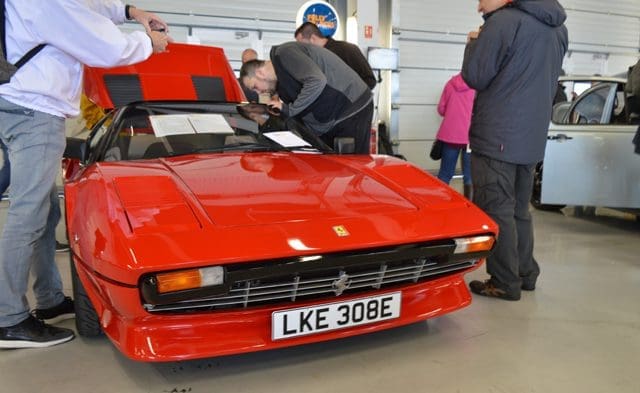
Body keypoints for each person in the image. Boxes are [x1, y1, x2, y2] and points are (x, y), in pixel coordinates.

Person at [0, 0, 170, 349]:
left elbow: (88, 8)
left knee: (44, 213)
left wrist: (130, 12)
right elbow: (102, 45)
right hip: (35, 110)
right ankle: (8, 319)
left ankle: (48, 300)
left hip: (23, 103)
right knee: (28, 215)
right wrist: (149, 44)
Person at [461, 0, 568, 300]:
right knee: (520, 209)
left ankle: (505, 281)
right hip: (531, 137)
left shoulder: (502, 23)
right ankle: (525, 273)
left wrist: (473, 43)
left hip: (498, 135)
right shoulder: (558, 28)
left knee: (497, 208)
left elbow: (475, 76)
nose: (479, 6)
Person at [240, 41, 373, 154]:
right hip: (333, 119)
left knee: (354, 167)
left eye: (255, 87)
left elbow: (316, 81)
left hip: (353, 107)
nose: (258, 92)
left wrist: (290, 109)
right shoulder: (281, 83)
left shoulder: (285, 53)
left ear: (260, 73)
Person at [294, 22, 376, 90]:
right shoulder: (313, 59)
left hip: (349, 107)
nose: (302, 49)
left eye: (302, 44)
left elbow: (370, 80)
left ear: (313, 38)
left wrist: (350, 99)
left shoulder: (347, 49)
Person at [434, 72, 474, 199]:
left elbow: (441, 109)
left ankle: (440, 203)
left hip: (450, 136)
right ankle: (469, 207)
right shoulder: (477, 87)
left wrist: (452, 111)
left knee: (445, 174)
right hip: (470, 138)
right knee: (469, 175)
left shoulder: (450, 84)